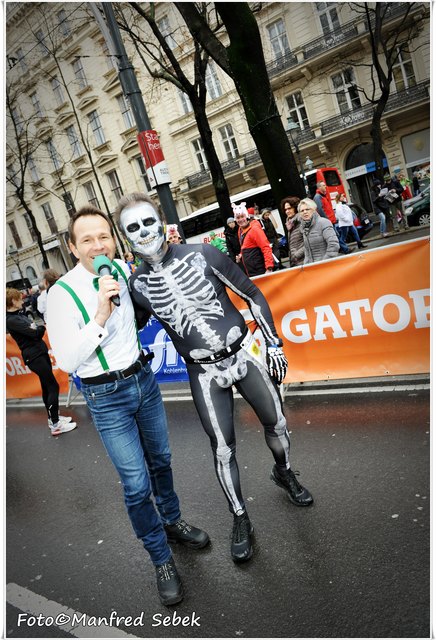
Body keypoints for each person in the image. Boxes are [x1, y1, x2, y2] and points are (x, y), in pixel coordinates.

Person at [116, 192, 313, 564]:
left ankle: (284, 472)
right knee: (222, 449)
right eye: (133, 227)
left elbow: (251, 293)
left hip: (243, 354)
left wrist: (274, 343)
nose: (143, 232)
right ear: (125, 236)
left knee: (277, 422)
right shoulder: (137, 286)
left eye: (147, 222)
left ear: (161, 223)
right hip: (203, 372)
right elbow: (130, 327)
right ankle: (240, 517)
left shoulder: (202, 254)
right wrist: (109, 301)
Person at [46, 205, 209, 606]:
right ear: (73, 248)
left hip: (143, 381)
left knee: (162, 461)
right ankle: (160, 558)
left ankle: (172, 522)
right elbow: (66, 361)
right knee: (136, 485)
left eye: (103, 236)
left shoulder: (121, 269)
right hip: (105, 395)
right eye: (87, 239)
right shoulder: (60, 294)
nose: (97, 245)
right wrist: (100, 314)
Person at [6, 288, 77, 436]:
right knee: (52, 386)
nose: (22, 300)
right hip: (34, 356)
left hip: (39, 353)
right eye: (19, 298)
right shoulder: (11, 320)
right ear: (12, 301)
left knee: (47, 387)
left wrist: (36, 329)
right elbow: (36, 333)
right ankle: (55, 424)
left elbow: (35, 330)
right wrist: (37, 329)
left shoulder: (18, 316)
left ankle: (53, 418)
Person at [232, 202, 274, 277]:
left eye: (242, 216)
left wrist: (269, 268)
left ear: (247, 216)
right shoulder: (240, 230)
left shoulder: (254, 229)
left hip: (260, 271)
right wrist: (241, 255)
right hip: (250, 272)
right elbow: (244, 246)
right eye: (238, 218)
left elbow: (266, 247)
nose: (240, 220)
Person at [298, 198, 340, 264]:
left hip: (326, 266)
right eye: (302, 211)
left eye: (307, 209)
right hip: (312, 267)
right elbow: (307, 251)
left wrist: (324, 263)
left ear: (313, 210)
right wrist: (306, 264)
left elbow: (334, 245)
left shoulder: (323, 222)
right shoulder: (304, 227)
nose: (305, 212)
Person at [313, 181, 350, 254]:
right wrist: (327, 220)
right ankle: (345, 249)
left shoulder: (323, 196)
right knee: (336, 235)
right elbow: (320, 210)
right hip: (328, 221)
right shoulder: (318, 197)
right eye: (323, 185)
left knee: (335, 235)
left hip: (330, 220)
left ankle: (341, 249)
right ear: (319, 187)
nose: (325, 186)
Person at [281, 197, 304, 267]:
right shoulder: (290, 224)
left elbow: (310, 242)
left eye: (289, 208)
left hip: (304, 261)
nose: (287, 211)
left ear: (295, 208)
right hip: (296, 263)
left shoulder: (301, 221)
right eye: (285, 209)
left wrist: (296, 255)